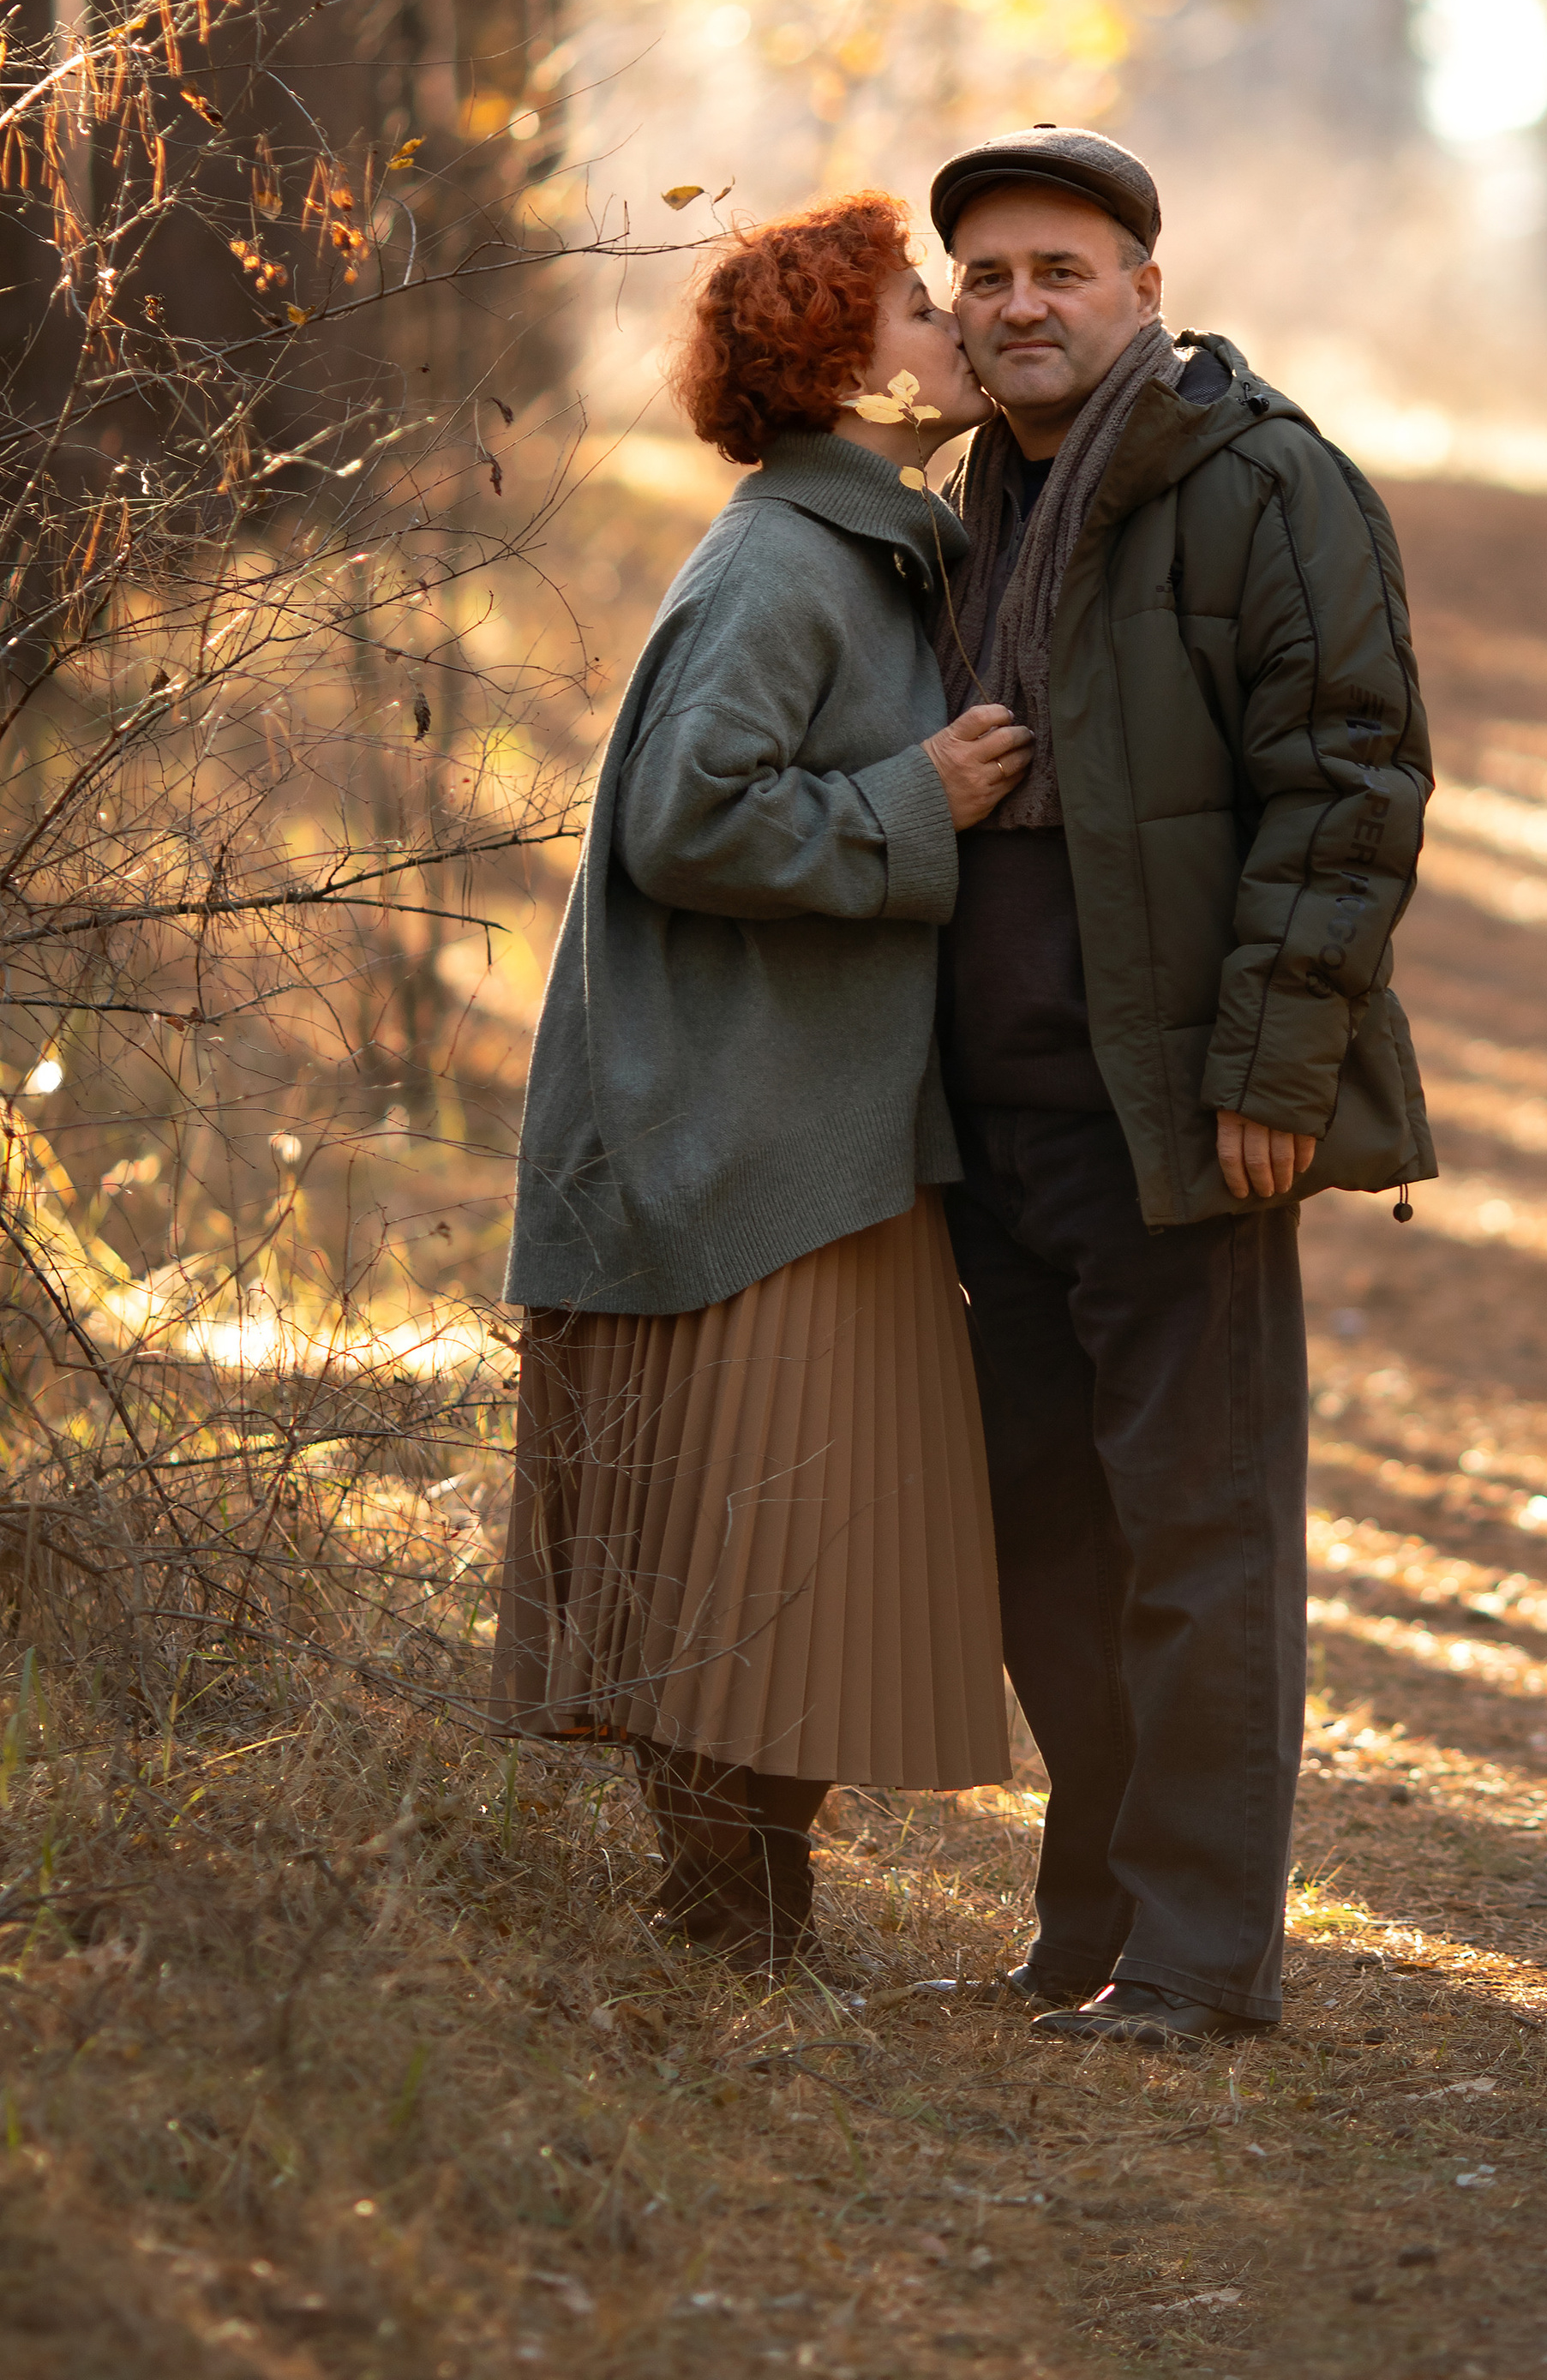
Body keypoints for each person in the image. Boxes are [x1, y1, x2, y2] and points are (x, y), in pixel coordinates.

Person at [928, 123, 1436, 2046]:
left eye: (1058, 269)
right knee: (1042, 1535)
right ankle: (1088, 1921)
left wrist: (1272, 1066)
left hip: (1177, 1115)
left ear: (1145, 288)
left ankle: (1202, 1957)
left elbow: (1349, 781)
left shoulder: (1263, 485)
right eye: (984, 275)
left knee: (1196, 1536)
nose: (1018, 303)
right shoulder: (966, 493)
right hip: (987, 1124)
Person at [491, 190, 1034, 1977]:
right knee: (737, 1537)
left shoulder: (873, 543)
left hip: (824, 1133)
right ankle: (725, 1919)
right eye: (912, 308)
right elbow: (682, 816)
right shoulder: (779, 566)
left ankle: (749, 1917)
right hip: (726, 1144)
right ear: (841, 372)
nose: (950, 325)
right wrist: (910, 807)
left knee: (801, 1544)